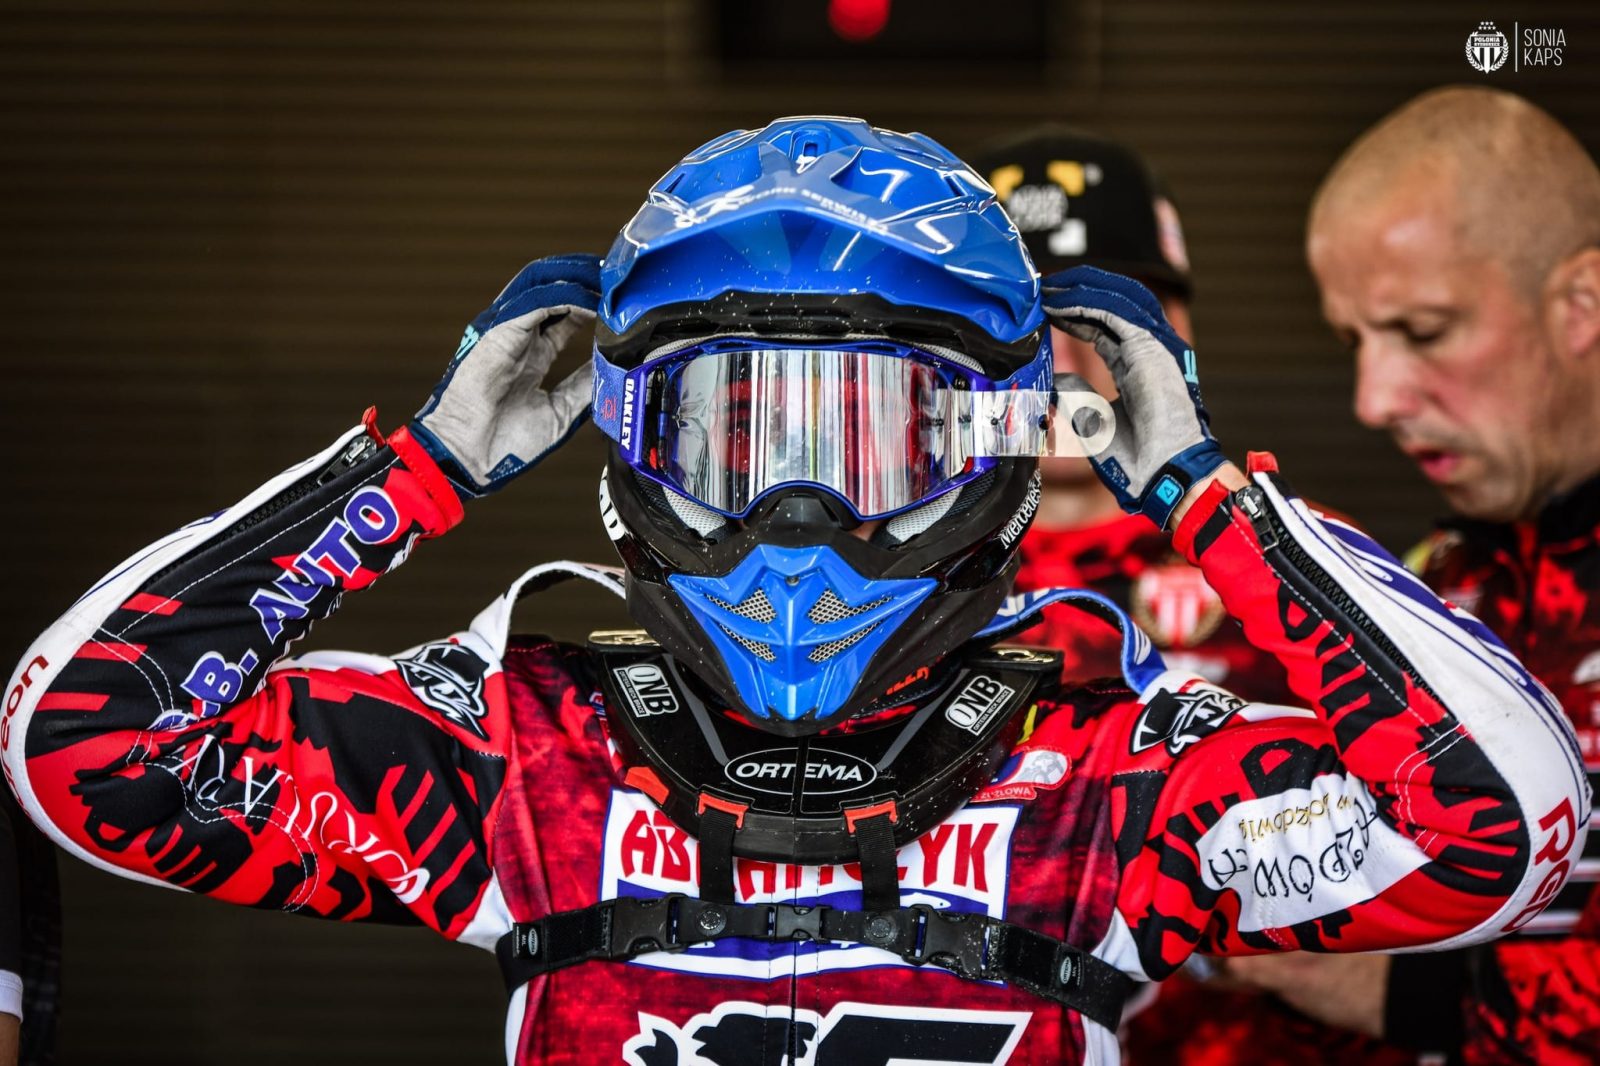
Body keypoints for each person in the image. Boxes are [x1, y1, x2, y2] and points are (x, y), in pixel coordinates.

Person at [1, 116, 1586, 1065]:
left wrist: (1189, 475)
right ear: (627, 438)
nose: (798, 509)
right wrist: (423, 461)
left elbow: (1504, 821)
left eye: (877, 435)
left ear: (998, 444)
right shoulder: (528, 739)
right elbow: (84, 740)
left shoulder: (1105, 758)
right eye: (734, 430)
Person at [976, 128, 1413, 1066]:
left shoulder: (1289, 552)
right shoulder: (883, 581)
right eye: (1019, 320)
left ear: (1173, 327)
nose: (1062, 357)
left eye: (1098, 315)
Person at [1224, 86, 1600, 1064]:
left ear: (1584, 304)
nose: (1373, 400)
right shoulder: (1438, 573)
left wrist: (1415, 996)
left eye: (1424, 331)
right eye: (1355, 341)